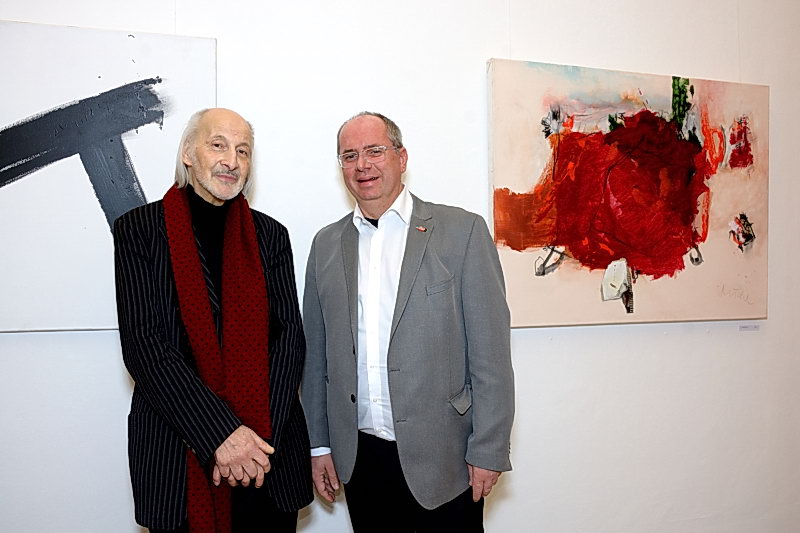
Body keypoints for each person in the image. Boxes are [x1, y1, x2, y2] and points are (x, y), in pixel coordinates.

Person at [301, 111, 515, 532]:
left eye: (374, 151)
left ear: (402, 158)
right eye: (349, 156)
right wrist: (319, 444)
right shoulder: (325, 244)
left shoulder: (462, 232)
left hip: (446, 458)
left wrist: (488, 449)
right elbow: (316, 358)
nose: (362, 165)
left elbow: (490, 354)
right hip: (360, 459)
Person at [114, 108, 312, 533]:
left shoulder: (271, 235)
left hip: (267, 457)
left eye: (243, 150)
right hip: (177, 457)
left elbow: (289, 340)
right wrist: (221, 435)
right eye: (218, 145)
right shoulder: (139, 230)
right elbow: (145, 346)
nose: (231, 160)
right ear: (188, 153)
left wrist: (252, 442)